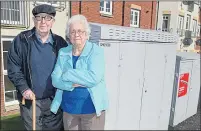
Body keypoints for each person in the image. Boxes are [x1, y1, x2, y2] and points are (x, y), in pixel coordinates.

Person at [7, 4, 67, 130]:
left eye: (48, 18)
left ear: (53, 21)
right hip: (31, 102)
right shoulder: (22, 40)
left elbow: (68, 69)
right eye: (39, 18)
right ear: (34, 20)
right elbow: (14, 68)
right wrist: (24, 88)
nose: (43, 22)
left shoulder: (60, 43)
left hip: (54, 101)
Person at [50, 14, 109, 130]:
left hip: (91, 109)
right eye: (72, 32)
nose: (76, 34)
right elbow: (55, 80)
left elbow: (93, 78)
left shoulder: (96, 51)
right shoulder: (63, 52)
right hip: (69, 109)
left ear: (87, 34)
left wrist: (67, 74)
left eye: (80, 31)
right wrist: (71, 84)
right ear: (68, 35)